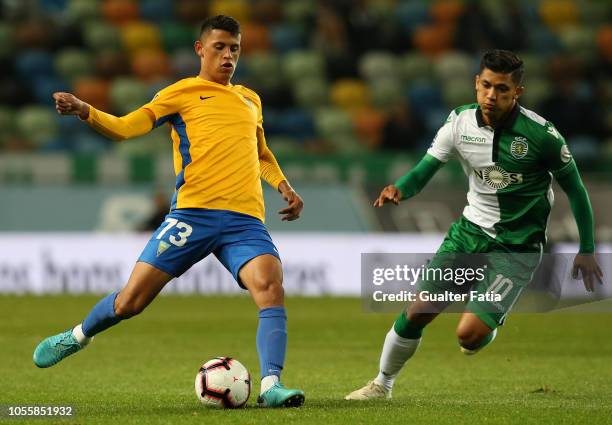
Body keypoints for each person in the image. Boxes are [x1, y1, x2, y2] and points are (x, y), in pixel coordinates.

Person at [33, 15, 306, 408]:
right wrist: (85, 111)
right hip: (192, 217)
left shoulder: (250, 99)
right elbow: (127, 128)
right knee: (130, 302)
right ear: (200, 49)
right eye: (219, 47)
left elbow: (261, 153)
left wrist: (284, 186)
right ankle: (77, 335)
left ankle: (271, 386)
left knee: (271, 289)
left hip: (244, 221)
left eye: (235, 49)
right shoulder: (180, 93)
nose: (228, 55)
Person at [345, 50, 603, 400]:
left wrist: (586, 250)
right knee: (417, 309)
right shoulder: (459, 123)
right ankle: (381, 385)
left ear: (518, 93)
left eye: (501, 89)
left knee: (468, 335)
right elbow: (424, 170)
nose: (491, 96)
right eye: (485, 86)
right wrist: (399, 189)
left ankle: (488, 323)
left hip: (517, 248)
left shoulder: (543, 137)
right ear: (475, 84)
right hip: (469, 233)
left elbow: (577, 191)